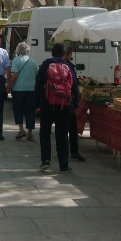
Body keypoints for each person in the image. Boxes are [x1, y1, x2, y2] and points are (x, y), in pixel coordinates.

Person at [35, 43, 79, 173]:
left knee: (45, 133)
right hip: (64, 105)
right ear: (64, 54)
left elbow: (38, 85)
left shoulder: (46, 65)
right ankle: (63, 164)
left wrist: (38, 104)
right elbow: (74, 87)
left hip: (48, 104)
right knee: (62, 134)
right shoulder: (68, 66)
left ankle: (46, 160)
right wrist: (74, 105)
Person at [7, 41, 36, 142]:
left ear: (18, 51)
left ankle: (21, 129)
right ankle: (30, 133)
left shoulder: (16, 60)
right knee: (30, 111)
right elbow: (36, 75)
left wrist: (9, 86)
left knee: (18, 109)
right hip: (31, 90)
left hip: (18, 90)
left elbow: (15, 75)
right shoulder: (33, 61)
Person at [62, 46, 86, 162]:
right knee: (72, 128)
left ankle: (62, 151)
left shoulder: (52, 65)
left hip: (57, 101)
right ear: (68, 54)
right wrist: (76, 102)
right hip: (69, 102)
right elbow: (74, 86)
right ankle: (73, 151)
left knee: (62, 128)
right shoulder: (69, 67)